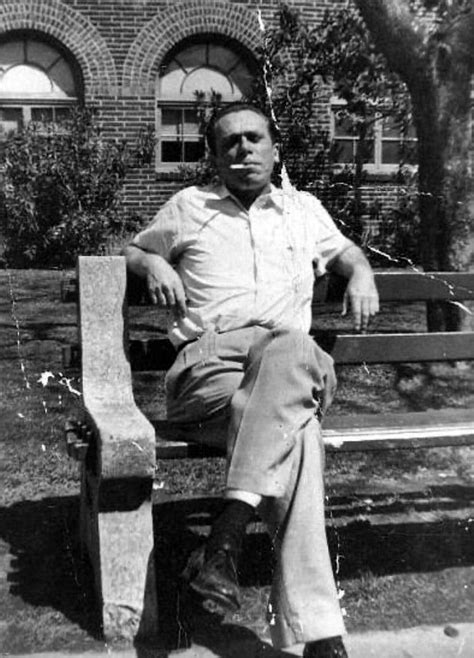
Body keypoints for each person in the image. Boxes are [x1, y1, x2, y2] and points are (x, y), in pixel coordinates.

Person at [124, 103, 379, 658]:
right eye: (230, 142)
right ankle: (319, 634)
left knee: (288, 348)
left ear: (274, 149)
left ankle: (224, 539)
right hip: (210, 371)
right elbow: (135, 249)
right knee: (300, 436)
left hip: (289, 365)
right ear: (214, 157)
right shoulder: (189, 206)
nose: (244, 149)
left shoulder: (303, 209)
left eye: (254, 138)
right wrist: (153, 264)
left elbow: (345, 253)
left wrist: (360, 271)